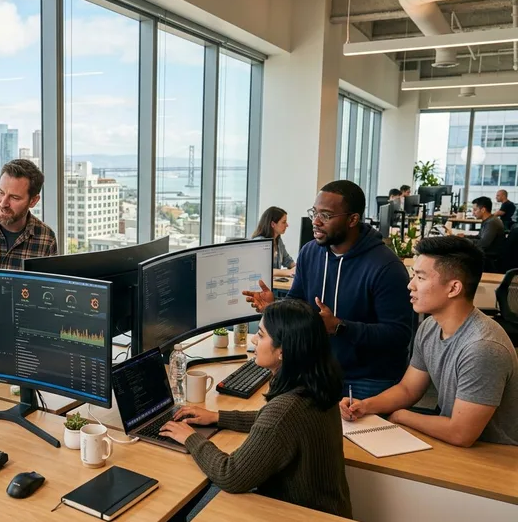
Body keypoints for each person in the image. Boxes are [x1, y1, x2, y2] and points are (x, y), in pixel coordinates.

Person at [159, 299, 351, 518]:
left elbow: (230, 474)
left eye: (260, 335)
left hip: (297, 514)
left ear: (283, 351)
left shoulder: (285, 410)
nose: (253, 339)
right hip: (328, 511)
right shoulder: (317, 385)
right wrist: (217, 417)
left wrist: (190, 438)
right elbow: (274, 424)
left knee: (187, 503)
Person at [341, 237, 518, 447]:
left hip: (493, 455)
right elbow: (409, 389)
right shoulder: (430, 326)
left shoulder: (483, 347)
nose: (410, 284)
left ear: (453, 288)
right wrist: (365, 406)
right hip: (452, 441)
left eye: (420, 277)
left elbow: (461, 433)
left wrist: (401, 416)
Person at [244, 180, 413, 400]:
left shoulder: (385, 267)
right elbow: (298, 302)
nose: (315, 221)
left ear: (353, 219)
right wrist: (275, 306)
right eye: (314, 212)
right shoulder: (310, 252)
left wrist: (340, 327)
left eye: (326, 215)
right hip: (317, 370)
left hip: (366, 380)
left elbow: (398, 335)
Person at [458, 196, 505, 272]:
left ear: (483, 210)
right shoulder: (488, 220)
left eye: (475, 210)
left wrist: (464, 241)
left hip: (489, 258)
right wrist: (465, 237)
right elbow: (479, 237)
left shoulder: (492, 222)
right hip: (487, 254)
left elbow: (483, 244)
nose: (473, 212)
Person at [252, 206, 296, 277]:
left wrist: (298, 268)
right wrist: (289, 272)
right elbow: (262, 270)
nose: (287, 225)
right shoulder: (259, 242)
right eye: (283, 222)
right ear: (273, 224)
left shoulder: (278, 240)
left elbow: (288, 261)